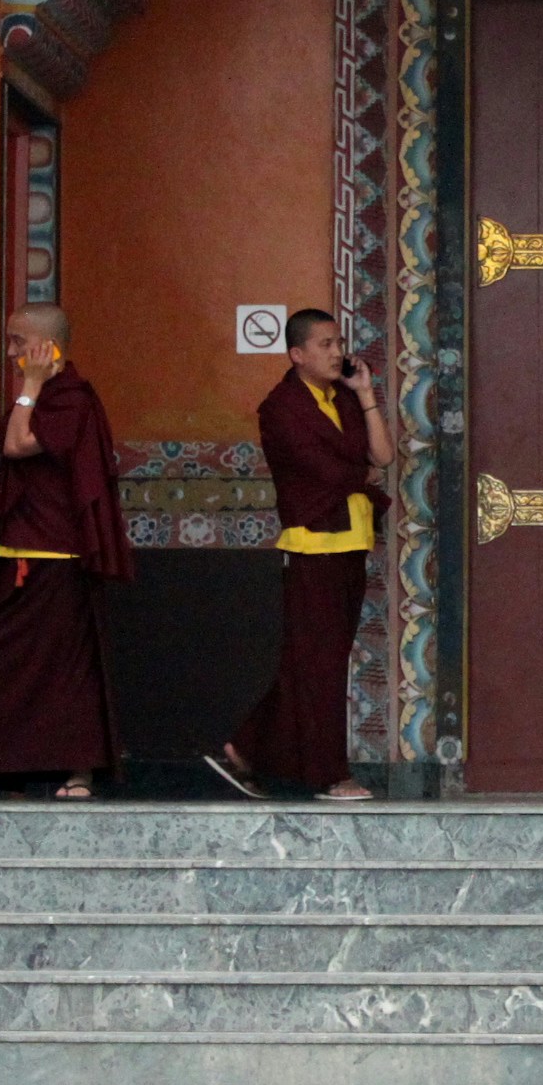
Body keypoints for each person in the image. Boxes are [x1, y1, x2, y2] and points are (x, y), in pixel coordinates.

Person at [211, 308, 390, 801]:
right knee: (319, 666)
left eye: (338, 343)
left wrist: (366, 395)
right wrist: (362, 477)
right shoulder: (282, 408)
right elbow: (323, 472)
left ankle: (245, 748)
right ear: (297, 354)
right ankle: (331, 775)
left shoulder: (342, 400)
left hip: (350, 542)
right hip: (312, 548)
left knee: (313, 662)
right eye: (326, 345)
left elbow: (384, 456)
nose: (338, 353)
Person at [0, 305, 133, 798]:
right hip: (21, 548)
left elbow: (17, 445)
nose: (13, 352)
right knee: (0, 659)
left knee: (68, 667)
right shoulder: (45, 396)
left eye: (19, 342)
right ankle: (8, 762)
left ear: (46, 346)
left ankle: (78, 771)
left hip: (54, 556)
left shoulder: (69, 399)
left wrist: (32, 385)